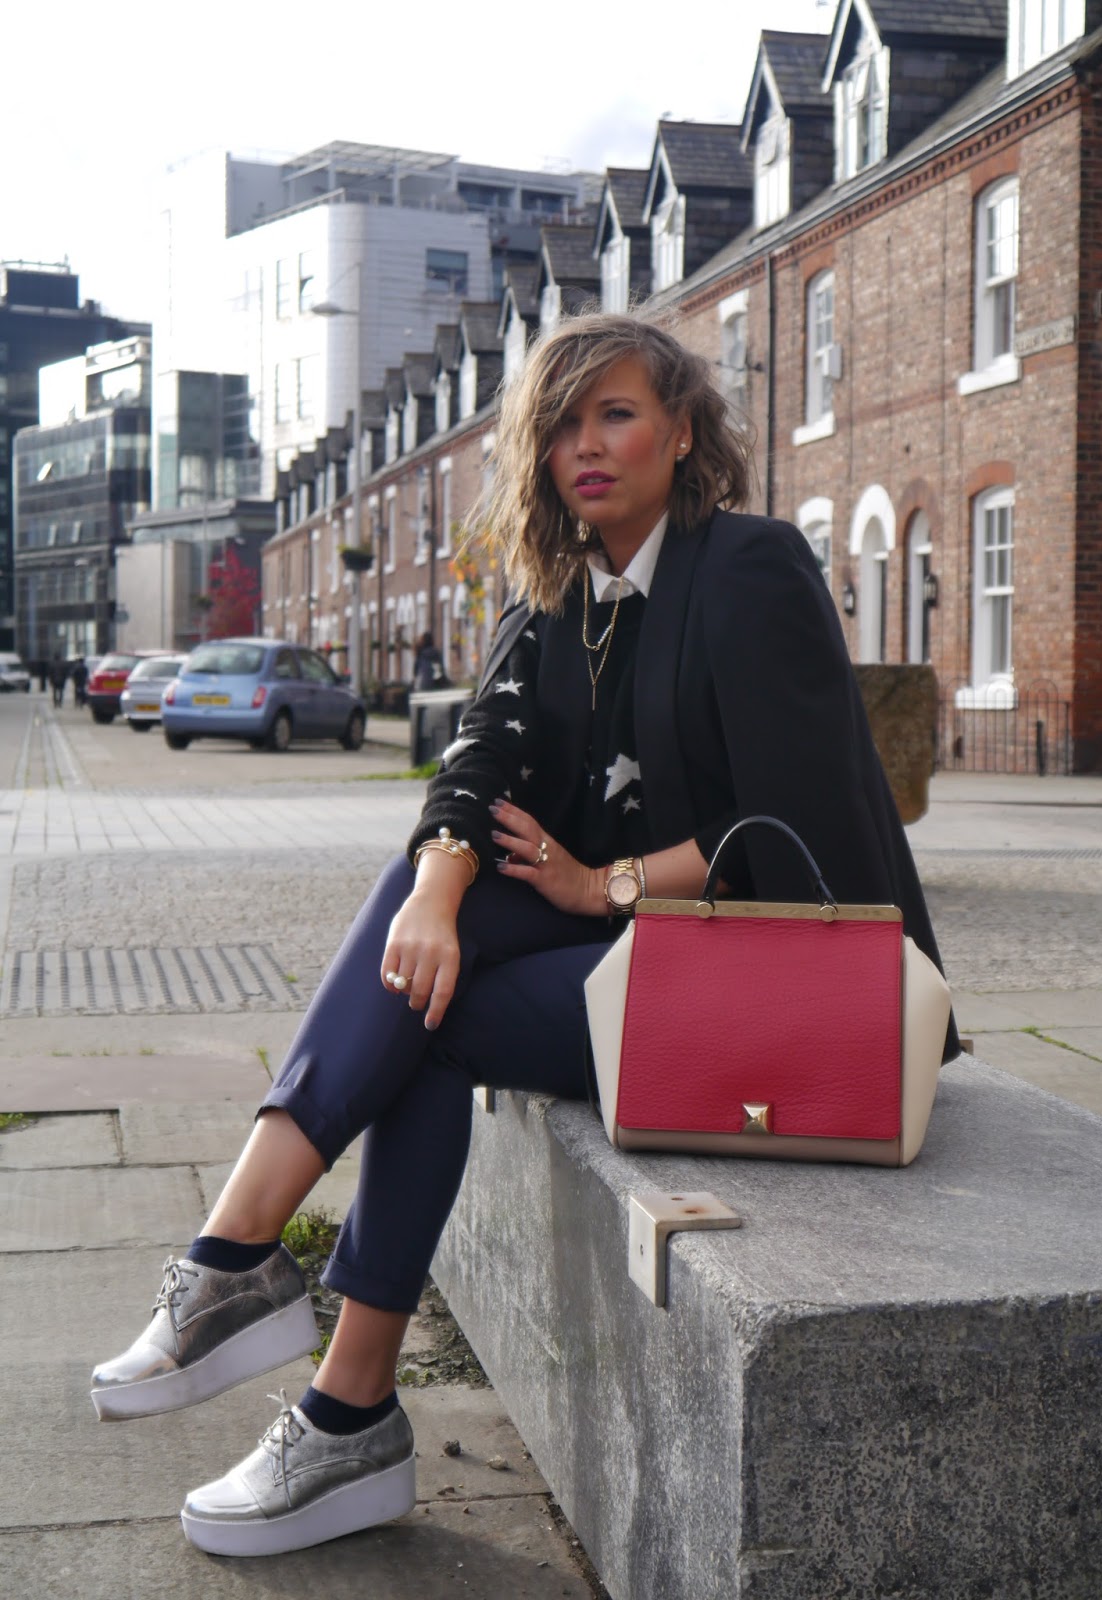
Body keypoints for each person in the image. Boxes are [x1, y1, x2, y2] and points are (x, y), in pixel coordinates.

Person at [90, 312, 957, 1558]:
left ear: (682, 431)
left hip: (768, 979)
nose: (584, 446)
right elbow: (479, 759)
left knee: (430, 1018)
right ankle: (270, 1303)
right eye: (560, 425)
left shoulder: (751, 566)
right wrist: (437, 891)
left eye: (615, 414)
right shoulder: (557, 592)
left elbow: (795, 827)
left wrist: (605, 883)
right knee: (429, 939)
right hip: (643, 967)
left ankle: (298, 1347)